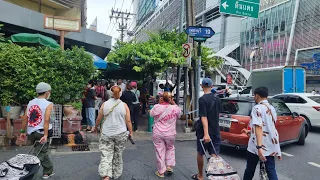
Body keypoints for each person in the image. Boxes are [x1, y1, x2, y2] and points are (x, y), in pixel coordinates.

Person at [95, 86, 133, 180]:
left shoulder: (104, 104)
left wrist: (95, 127)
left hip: (107, 133)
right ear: (120, 94)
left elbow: (99, 118)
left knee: (106, 154)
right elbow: (128, 121)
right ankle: (116, 174)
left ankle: (106, 175)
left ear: (110, 93)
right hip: (121, 133)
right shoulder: (124, 105)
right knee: (118, 154)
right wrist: (131, 132)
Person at [243, 87, 282, 180]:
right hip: (271, 143)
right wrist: (250, 132)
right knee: (271, 169)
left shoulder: (257, 108)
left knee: (250, 169)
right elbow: (269, 126)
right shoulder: (271, 108)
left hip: (257, 145)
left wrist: (259, 147)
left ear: (256, 96)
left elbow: (259, 127)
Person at [19, 82, 55, 179]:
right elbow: (47, 120)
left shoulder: (30, 102)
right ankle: (29, 174)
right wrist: (46, 135)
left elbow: (25, 118)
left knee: (41, 151)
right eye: (49, 92)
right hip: (42, 132)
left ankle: (48, 171)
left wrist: (22, 133)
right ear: (47, 92)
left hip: (32, 132)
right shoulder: (48, 104)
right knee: (38, 155)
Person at [192, 78, 221, 180]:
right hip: (216, 129)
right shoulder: (217, 98)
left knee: (200, 152)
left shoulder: (202, 99)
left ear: (201, 86)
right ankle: (215, 176)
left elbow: (204, 117)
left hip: (204, 132)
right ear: (212, 86)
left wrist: (206, 133)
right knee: (214, 154)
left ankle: (200, 176)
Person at [150, 92, 182, 178]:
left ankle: (161, 172)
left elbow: (151, 114)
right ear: (171, 99)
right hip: (170, 133)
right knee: (170, 148)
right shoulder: (175, 108)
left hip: (158, 133)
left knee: (160, 151)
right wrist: (173, 102)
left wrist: (159, 103)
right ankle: (169, 166)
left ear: (161, 98)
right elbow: (179, 114)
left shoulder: (157, 107)